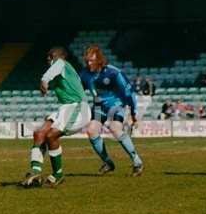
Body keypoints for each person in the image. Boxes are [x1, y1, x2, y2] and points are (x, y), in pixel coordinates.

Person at [21, 47, 91, 188]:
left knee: (51, 135)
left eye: (51, 56)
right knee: (39, 133)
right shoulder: (62, 69)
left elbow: (51, 71)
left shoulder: (61, 63)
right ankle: (35, 172)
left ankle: (58, 175)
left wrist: (45, 80)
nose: (48, 58)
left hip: (78, 107)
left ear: (60, 56)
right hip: (65, 108)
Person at [80, 45, 143, 177]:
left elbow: (129, 92)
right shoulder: (85, 73)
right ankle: (108, 163)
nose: (88, 63)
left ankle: (137, 162)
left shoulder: (113, 72)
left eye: (91, 60)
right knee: (91, 130)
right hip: (98, 106)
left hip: (116, 105)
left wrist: (133, 112)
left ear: (99, 60)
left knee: (115, 129)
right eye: (87, 61)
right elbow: (78, 88)